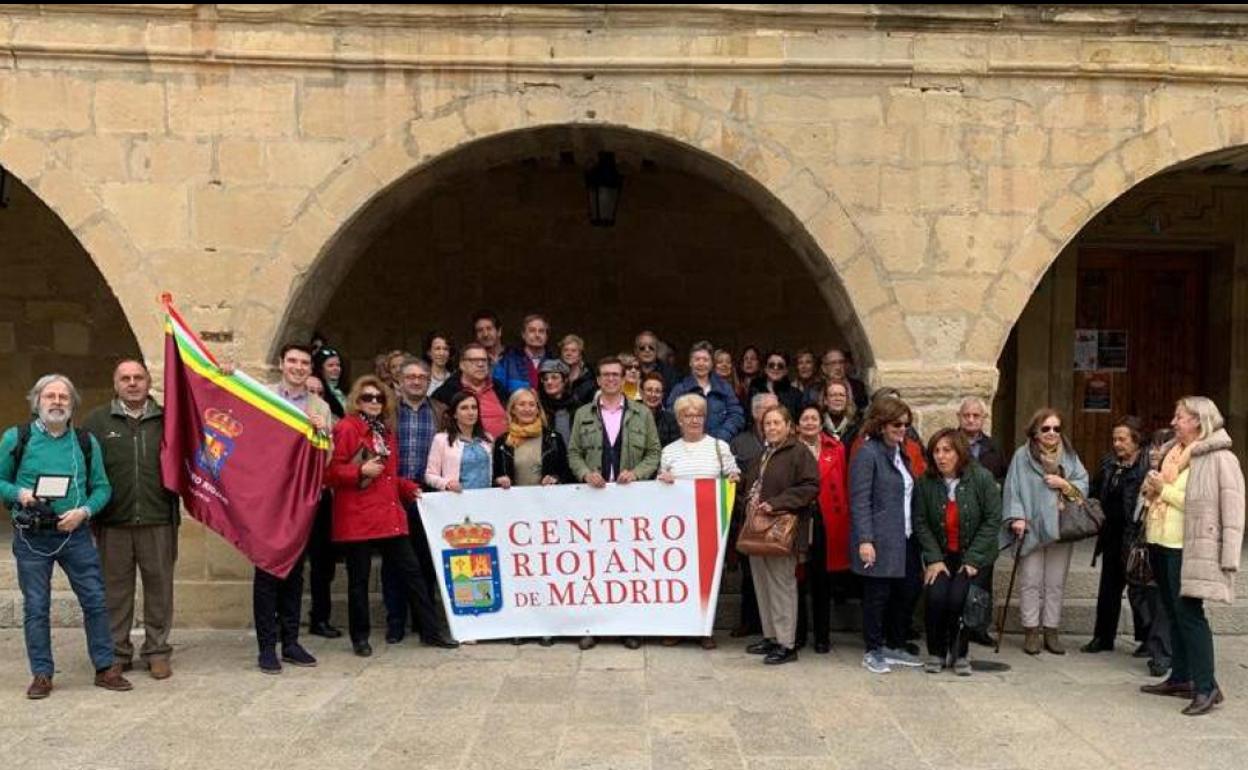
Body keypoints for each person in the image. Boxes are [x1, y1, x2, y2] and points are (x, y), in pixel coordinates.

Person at [1, 374, 129, 699]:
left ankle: (104, 667)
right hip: (32, 537)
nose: (57, 402)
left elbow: (102, 487)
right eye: (50, 396)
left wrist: (83, 512)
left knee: (96, 600)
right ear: (37, 402)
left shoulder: (85, 442)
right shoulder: (17, 438)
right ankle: (42, 673)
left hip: (75, 534)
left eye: (63, 397)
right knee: (37, 606)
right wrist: (20, 493)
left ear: (72, 405)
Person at [325, 376, 456, 657]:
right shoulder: (347, 428)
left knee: (414, 573)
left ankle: (430, 630)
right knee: (358, 581)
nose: (374, 402)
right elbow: (330, 473)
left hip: (387, 513)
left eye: (379, 398)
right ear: (356, 401)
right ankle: (360, 638)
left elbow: (389, 476)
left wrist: (408, 488)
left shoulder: (385, 432)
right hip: (358, 517)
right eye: (367, 398)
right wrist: (359, 471)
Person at [1139, 397, 1244, 716]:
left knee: (1189, 615)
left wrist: (1163, 490)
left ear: (1199, 421)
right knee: (1171, 613)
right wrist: (1151, 485)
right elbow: (1156, 489)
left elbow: (1216, 505)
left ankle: (1207, 686)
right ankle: (1182, 678)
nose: (1173, 421)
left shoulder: (1219, 458)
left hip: (1190, 547)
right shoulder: (1173, 452)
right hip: (1161, 541)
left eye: (1180, 417)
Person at [83, 360, 181, 681]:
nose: (132, 383)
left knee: (159, 589)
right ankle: (117, 652)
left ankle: (156, 651)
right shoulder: (97, 422)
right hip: (113, 520)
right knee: (115, 591)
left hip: (158, 518)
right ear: (116, 384)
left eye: (138, 377)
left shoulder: (168, 419)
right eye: (125, 378)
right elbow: (83, 469)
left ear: (149, 381)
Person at [567, 356, 662, 650]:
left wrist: (637, 473)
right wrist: (585, 473)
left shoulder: (642, 413)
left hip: (628, 501)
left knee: (627, 567)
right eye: (605, 375)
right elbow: (573, 454)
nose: (610, 379)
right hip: (593, 501)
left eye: (616, 375)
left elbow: (654, 452)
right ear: (597, 380)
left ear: (624, 380)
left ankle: (628, 627)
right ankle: (591, 626)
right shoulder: (583, 413)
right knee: (593, 566)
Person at [913, 429, 1001, 676]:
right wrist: (934, 559)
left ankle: (960, 652)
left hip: (973, 555)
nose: (941, 457)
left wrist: (973, 559)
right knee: (936, 596)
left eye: (947, 450)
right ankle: (936, 652)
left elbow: (993, 519)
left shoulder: (981, 478)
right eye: (937, 451)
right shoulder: (925, 483)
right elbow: (920, 522)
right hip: (941, 556)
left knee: (960, 599)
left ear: (960, 452)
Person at [658, 393, 742, 650]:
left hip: (710, 527)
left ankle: (705, 630)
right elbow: (660, 486)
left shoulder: (719, 447)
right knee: (680, 577)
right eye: (688, 415)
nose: (694, 420)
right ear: (679, 420)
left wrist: (734, 476)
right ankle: (678, 628)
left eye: (699, 415)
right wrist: (664, 480)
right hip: (678, 530)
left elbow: (732, 474)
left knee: (708, 577)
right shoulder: (669, 451)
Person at [1002, 408, 1088, 656]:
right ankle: (1031, 631)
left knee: (1055, 582)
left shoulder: (1070, 456)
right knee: (1030, 580)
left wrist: (1064, 484)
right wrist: (1016, 517)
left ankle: (1051, 630)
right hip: (1031, 527)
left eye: (1056, 429)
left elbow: (1083, 485)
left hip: (1061, 528)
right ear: (1035, 432)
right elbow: (1012, 488)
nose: (1052, 433)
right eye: (1046, 428)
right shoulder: (1022, 456)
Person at [739, 405, 819, 665]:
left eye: (776, 423)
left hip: (782, 531)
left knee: (782, 586)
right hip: (757, 530)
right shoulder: (763, 453)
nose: (771, 428)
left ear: (788, 425)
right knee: (762, 585)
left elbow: (810, 486)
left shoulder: (799, 452)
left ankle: (787, 644)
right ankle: (771, 636)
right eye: (767, 424)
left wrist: (778, 503)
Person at [851, 396, 925, 674]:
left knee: (906, 591)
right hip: (880, 537)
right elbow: (860, 500)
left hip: (905, 537)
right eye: (896, 424)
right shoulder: (868, 453)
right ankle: (873, 648)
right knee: (877, 595)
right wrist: (865, 539)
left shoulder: (902, 452)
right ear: (881, 424)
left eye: (906, 424)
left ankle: (894, 644)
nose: (902, 429)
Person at [382, 357, 446, 644]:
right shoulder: (388, 413)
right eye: (411, 377)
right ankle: (395, 621)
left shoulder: (441, 412)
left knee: (427, 559)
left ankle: (424, 621)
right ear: (400, 381)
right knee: (393, 562)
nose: (417, 381)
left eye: (422, 377)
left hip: (428, 494)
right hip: (393, 493)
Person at [1083, 417, 1150, 654]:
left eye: (1122, 439)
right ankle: (1103, 637)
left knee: (1139, 590)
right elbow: (1094, 489)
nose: (1117, 444)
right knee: (1108, 587)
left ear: (1136, 440)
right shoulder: (1109, 464)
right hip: (1111, 534)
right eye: (1114, 439)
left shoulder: (1147, 465)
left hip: (1135, 537)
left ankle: (1147, 640)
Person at [793, 404, 849, 655]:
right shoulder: (789, 449)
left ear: (820, 422)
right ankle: (798, 633)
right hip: (798, 520)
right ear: (797, 424)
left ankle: (822, 636)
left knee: (822, 581)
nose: (809, 423)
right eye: (805, 418)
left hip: (827, 519)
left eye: (814, 418)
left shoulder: (836, 448)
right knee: (797, 579)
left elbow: (844, 483)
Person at [955, 395, 1005, 647]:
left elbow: (1002, 478)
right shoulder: (949, 443)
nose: (971, 420)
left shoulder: (993, 448)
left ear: (984, 419)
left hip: (984, 521)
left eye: (976, 415)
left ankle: (978, 627)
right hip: (955, 517)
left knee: (983, 577)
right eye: (967, 415)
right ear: (959, 418)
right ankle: (954, 624)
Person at [728, 393, 778, 639]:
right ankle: (749, 621)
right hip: (747, 516)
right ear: (756, 413)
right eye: (767, 410)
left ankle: (777, 626)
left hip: (778, 516)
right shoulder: (739, 443)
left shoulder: (787, 442)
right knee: (750, 574)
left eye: (776, 409)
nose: (771, 415)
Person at [667, 341, 745, 443]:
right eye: (697, 359)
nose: (701, 363)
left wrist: (721, 437)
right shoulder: (680, 389)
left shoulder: (724, 388)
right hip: (689, 445)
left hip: (719, 445)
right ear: (690, 362)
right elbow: (671, 417)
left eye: (705, 360)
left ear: (711, 363)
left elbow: (736, 415)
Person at [431, 342, 508, 439]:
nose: (481, 364)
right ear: (462, 365)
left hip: (502, 449)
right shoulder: (446, 392)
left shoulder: (498, 387)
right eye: (474, 360)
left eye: (484, 360)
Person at [426, 391, 495, 492]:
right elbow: (429, 475)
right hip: (456, 498)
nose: (471, 412)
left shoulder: (487, 439)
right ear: (454, 414)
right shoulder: (441, 440)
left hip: (484, 499)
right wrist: (447, 484)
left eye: (474, 407)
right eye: (464, 408)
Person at [494, 313, 554, 395]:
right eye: (532, 331)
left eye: (541, 331)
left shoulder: (554, 362)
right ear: (523, 335)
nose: (537, 335)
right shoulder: (507, 361)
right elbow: (497, 394)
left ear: (546, 336)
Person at [749, 351, 803, 419]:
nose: (775, 368)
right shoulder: (755, 389)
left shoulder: (796, 395)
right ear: (765, 369)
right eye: (771, 365)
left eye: (780, 366)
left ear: (786, 371)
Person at [538, 359, 579, 444]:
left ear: (565, 380)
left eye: (554, 377)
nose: (549, 382)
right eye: (545, 379)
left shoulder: (577, 408)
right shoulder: (537, 407)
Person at [820, 348, 869, 412]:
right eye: (833, 363)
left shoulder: (858, 387)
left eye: (841, 362)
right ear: (824, 368)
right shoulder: (815, 390)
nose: (838, 367)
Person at [641, 372, 680, 446]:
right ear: (642, 393)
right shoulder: (632, 416)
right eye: (649, 390)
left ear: (662, 395)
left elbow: (674, 448)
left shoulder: (670, 420)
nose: (653, 395)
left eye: (657, 391)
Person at [312, 346, 349, 418]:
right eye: (330, 365)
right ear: (320, 369)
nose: (336, 368)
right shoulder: (317, 389)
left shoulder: (343, 390)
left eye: (338, 365)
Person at [559, 334, 596, 405]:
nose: (569, 353)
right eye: (565, 350)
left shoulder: (590, 376)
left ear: (580, 355)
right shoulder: (555, 374)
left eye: (573, 351)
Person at [821, 378, 859, 446]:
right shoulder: (818, 425)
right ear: (825, 400)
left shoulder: (856, 426)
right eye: (833, 395)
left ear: (847, 400)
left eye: (842, 395)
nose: (838, 399)